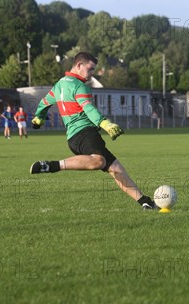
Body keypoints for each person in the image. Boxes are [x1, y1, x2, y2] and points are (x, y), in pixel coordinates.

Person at [28, 51, 157, 210]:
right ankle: (52, 166)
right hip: (84, 133)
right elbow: (88, 108)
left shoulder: (59, 84)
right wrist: (105, 124)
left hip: (74, 137)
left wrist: (38, 118)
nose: (91, 74)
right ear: (79, 65)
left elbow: (44, 102)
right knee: (99, 161)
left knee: (116, 169)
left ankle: (145, 201)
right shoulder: (79, 86)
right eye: (90, 69)